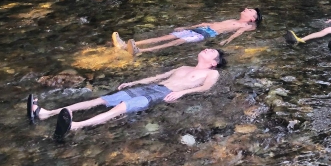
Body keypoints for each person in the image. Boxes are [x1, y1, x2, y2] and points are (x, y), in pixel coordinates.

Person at [26, 49, 226, 141]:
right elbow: (157, 76)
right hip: (152, 87)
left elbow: (205, 88)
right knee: (100, 100)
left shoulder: (211, 73)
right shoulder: (183, 66)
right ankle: (46, 113)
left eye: (211, 52)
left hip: (163, 94)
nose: (206, 49)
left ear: (214, 62)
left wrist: (182, 93)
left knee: (121, 107)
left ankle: (76, 126)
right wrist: (133, 82)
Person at [112, 8, 262, 55]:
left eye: (249, 10)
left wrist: (227, 41)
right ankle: (126, 44)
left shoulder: (246, 26)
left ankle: (141, 51)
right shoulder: (232, 19)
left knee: (178, 41)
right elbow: (207, 23)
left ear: (252, 19)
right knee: (167, 36)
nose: (245, 9)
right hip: (203, 29)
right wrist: (187, 27)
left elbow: (237, 34)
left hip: (208, 34)